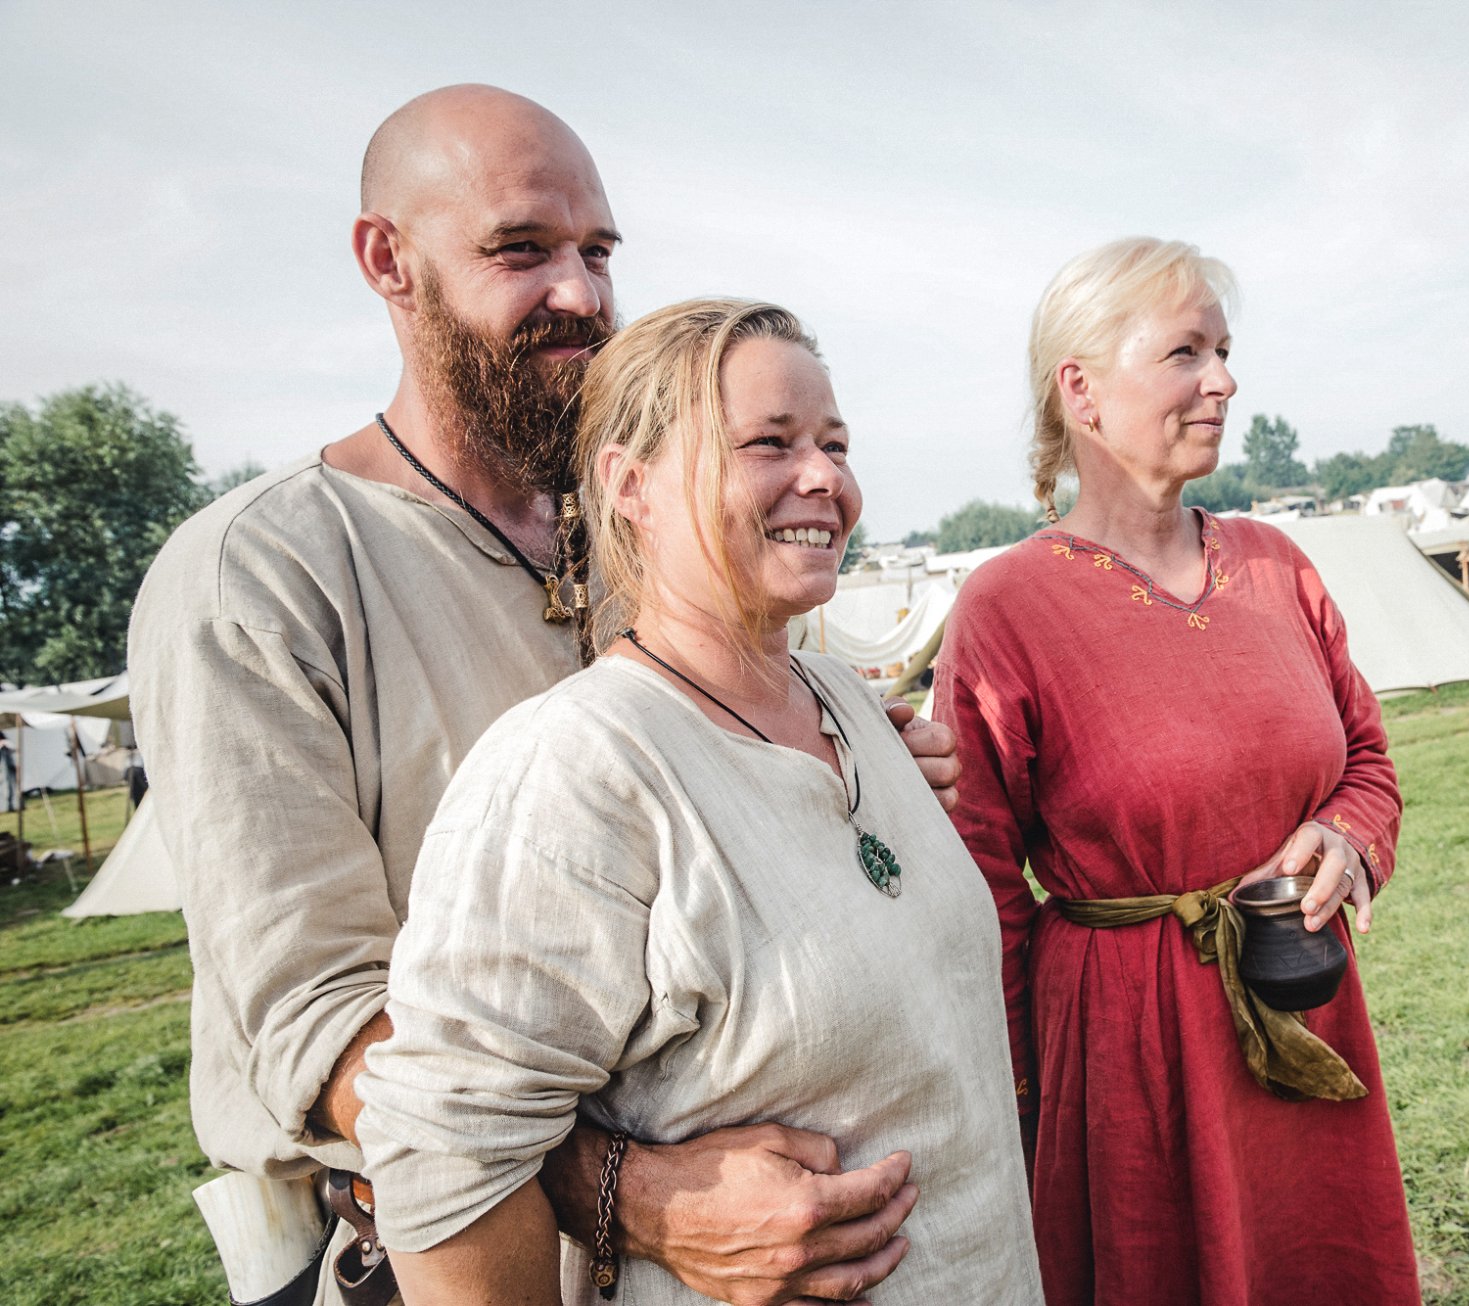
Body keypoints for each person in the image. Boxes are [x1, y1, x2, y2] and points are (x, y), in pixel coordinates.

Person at [128, 87, 956, 1306]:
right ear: (387, 259)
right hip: (417, 1258)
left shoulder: (640, 533)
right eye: (522, 249)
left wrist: (843, 781)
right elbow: (322, 1022)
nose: (581, 293)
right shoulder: (262, 573)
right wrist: (630, 1189)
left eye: (599, 252)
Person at [357, 298, 1042, 1305]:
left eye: (834, 443)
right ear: (630, 486)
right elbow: (445, 1154)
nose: (825, 478)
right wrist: (622, 1208)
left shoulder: (852, 709)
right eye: (770, 443)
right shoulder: (577, 769)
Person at [934, 237, 1420, 1305]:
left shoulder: (1274, 563)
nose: (1223, 380)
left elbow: (1368, 760)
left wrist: (1346, 835)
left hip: (1301, 1005)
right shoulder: (1006, 608)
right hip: (1126, 1053)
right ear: (1082, 390)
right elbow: (977, 890)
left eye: (1224, 350)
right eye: (1184, 352)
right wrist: (1020, 1094)